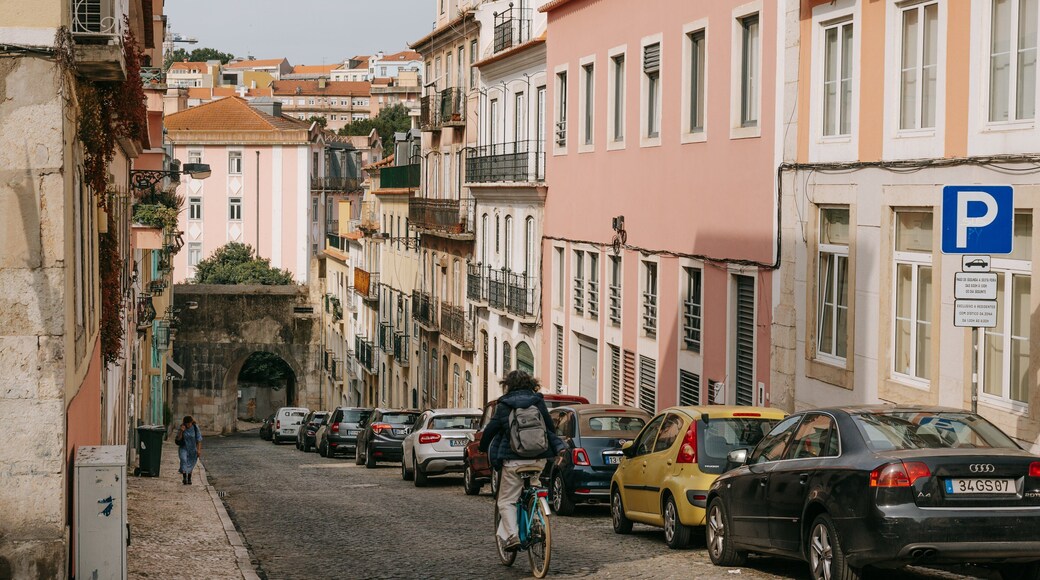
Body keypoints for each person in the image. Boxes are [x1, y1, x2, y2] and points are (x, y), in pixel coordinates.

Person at [478, 370, 566, 552]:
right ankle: (537, 516)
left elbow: (491, 430)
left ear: (508, 385)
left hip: (513, 462)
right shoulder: (538, 402)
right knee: (534, 485)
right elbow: (549, 428)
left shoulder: (504, 405)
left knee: (506, 501)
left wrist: (482, 446)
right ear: (531, 383)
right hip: (539, 458)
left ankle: (512, 536)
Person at [176, 416, 203, 485]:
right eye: (186, 423)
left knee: (191, 463)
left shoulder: (195, 428)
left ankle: (189, 478)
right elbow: (178, 439)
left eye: (189, 423)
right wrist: (181, 431)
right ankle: (184, 478)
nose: (187, 425)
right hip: (183, 448)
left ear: (191, 422)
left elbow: (199, 439)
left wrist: (199, 450)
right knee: (183, 460)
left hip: (193, 449)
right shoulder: (182, 427)